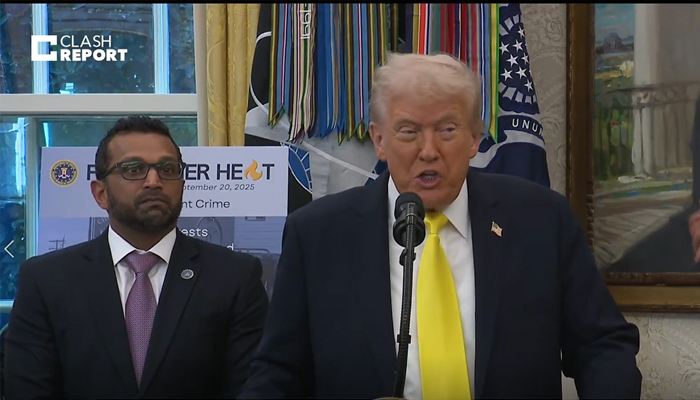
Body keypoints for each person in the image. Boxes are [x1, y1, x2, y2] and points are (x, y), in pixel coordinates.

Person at [238, 53, 642, 399]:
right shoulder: (318, 235)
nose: (428, 151)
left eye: (447, 130)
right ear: (379, 140)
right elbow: (278, 372)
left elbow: (602, 345)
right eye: (408, 131)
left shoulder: (540, 219)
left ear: (474, 138)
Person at [4, 116, 269, 399]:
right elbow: (29, 390)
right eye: (133, 169)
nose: (154, 182)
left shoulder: (234, 277)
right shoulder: (47, 281)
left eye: (167, 169)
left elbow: (254, 386)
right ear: (101, 193)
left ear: (182, 185)